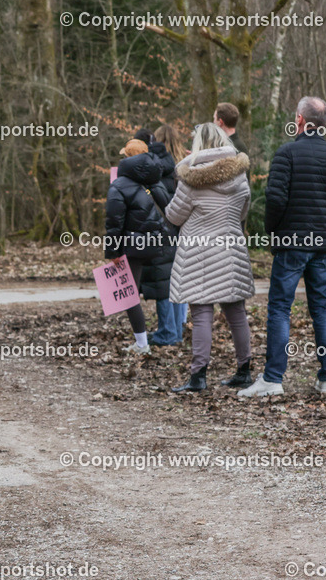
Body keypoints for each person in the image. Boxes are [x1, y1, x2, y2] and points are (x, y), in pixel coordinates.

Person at [240, 96, 326, 397]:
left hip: (291, 241)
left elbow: (276, 200)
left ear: (300, 121)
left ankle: (273, 379)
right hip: (322, 244)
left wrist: (273, 232)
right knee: (321, 308)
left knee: (280, 307)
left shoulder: (286, 153)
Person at [165, 123, 254, 392]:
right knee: (236, 312)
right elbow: (242, 213)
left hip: (198, 252)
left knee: (202, 312)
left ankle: (199, 376)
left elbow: (174, 216)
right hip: (231, 248)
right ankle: (244, 370)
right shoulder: (240, 177)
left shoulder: (191, 179)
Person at [104, 139, 170, 354]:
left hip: (132, 246)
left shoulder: (119, 185)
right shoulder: (153, 182)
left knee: (127, 294)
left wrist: (113, 252)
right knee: (158, 290)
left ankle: (142, 344)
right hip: (155, 242)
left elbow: (114, 222)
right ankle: (158, 335)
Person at [145, 124, 188, 346]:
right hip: (181, 228)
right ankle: (177, 327)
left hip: (159, 228)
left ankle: (167, 331)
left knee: (162, 280)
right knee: (177, 279)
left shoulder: (152, 167)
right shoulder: (184, 165)